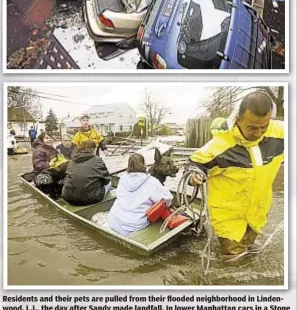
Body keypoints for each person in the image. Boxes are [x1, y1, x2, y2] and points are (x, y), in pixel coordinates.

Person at [189, 91, 284, 261]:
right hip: (228, 218)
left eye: (264, 126)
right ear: (238, 119)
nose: (259, 132)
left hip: (258, 212)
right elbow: (193, 165)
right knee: (233, 261)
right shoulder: (219, 145)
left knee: (249, 250)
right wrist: (194, 175)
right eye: (252, 127)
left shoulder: (280, 134)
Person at [107, 153, 173, 236]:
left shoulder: (122, 179)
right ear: (144, 164)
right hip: (135, 226)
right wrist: (164, 189)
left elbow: (119, 195)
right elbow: (166, 200)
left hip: (114, 221)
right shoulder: (152, 181)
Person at [61, 140, 112, 206]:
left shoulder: (72, 159)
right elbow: (106, 179)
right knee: (110, 182)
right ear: (94, 149)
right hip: (90, 199)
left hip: (68, 197)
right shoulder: (97, 159)